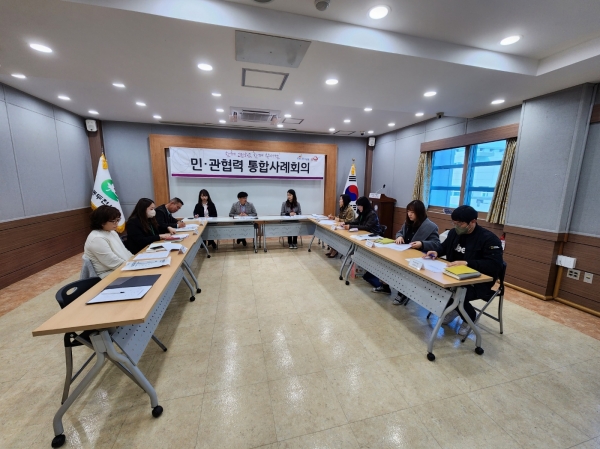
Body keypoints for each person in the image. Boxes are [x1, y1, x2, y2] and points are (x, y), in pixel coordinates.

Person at [424, 205, 504, 336]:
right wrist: (436, 252)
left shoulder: (489, 239)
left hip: (478, 281)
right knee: (435, 284)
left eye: (460, 223)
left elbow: (494, 265)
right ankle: (456, 308)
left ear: (473, 222)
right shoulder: (454, 233)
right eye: (454, 223)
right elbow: (444, 247)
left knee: (455, 292)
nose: (456, 226)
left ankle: (469, 318)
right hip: (454, 275)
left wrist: (467, 263)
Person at [372, 200, 440, 299]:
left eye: (412, 212)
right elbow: (400, 232)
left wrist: (422, 244)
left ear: (419, 212)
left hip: (416, 256)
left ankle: (403, 294)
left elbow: (436, 244)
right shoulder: (408, 222)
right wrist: (399, 236)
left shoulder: (431, 226)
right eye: (408, 211)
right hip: (403, 251)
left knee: (403, 272)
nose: (409, 214)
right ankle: (385, 286)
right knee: (386, 261)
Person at [84, 205, 132, 278]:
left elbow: (125, 251)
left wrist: (135, 260)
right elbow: (113, 262)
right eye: (113, 221)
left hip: (121, 268)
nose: (116, 223)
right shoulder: (97, 238)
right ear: (101, 222)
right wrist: (132, 266)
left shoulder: (112, 232)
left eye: (118, 220)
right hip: (109, 274)